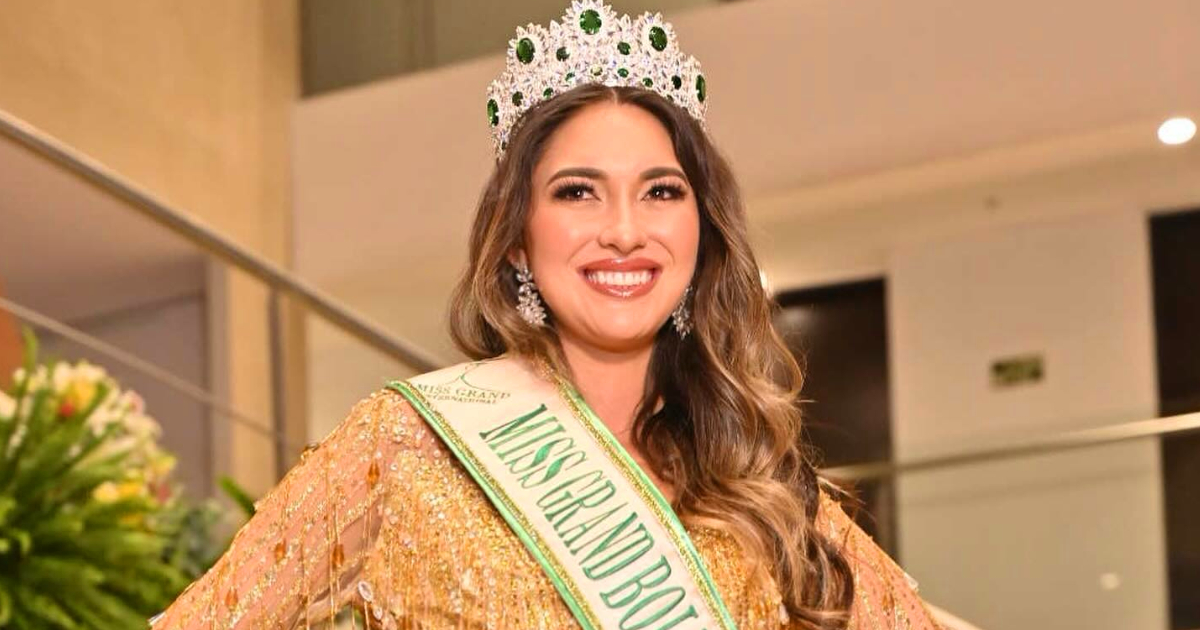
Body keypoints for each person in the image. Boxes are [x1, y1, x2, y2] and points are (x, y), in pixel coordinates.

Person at [153, 2, 941, 628]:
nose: (625, 229)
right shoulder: (402, 447)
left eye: (662, 191)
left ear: (701, 236)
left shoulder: (759, 483)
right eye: (577, 191)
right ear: (519, 242)